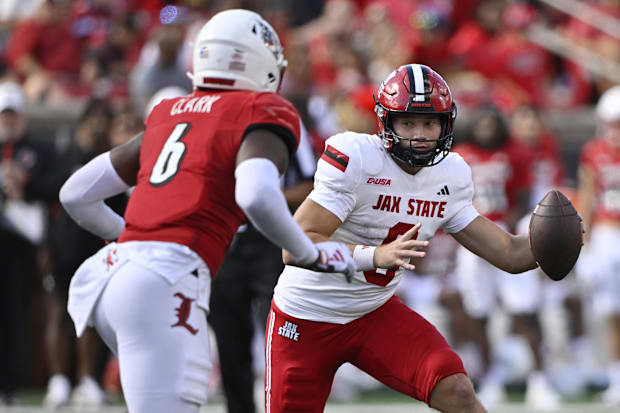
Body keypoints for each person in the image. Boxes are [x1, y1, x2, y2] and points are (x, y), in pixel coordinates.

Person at [59, 9, 355, 413]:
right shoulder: (261, 109)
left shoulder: (169, 112)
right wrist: (310, 252)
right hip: (167, 280)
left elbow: (75, 194)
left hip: (114, 278)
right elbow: (255, 194)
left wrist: (128, 235)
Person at [266, 63, 567, 413]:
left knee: (457, 391)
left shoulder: (450, 175)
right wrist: (374, 256)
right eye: (408, 122)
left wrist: (554, 243)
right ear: (386, 121)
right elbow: (296, 245)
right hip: (306, 317)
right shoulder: (358, 158)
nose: (421, 133)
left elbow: (509, 254)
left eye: (430, 122)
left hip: (373, 314)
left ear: (446, 124)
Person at [209, 121, 316, 413]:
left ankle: (287, 405)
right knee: (229, 338)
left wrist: (265, 200)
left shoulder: (285, 121)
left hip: (272, 237)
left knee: (286, 331)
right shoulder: (214, 120)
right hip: (224, 238)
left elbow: (310, 184)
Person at [0, 80, 62, 405]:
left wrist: (26, 182)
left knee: (14, 314)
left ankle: (8, 386)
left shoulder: (39, 148)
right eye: (3, 114)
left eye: (12, 114)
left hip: (23, 245)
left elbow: (56, 188)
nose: (8, 120)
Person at [577, 85, 620, 405]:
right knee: (611, 310)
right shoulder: (594, 150)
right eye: (611, 122)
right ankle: (617, 374)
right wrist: (586, 243)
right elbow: (588, 196)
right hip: (606, 233)